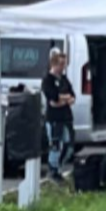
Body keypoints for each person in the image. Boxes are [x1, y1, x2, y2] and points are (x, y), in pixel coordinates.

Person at [40, 49, 75, 180]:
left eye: (64, 64)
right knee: (55, 145)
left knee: (69, 145)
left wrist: (64, 99)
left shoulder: (64, 79)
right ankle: (53, 170)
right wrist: (64, 98)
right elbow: (53, 100)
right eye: (60, 64)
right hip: (54, 118)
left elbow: (72, 96)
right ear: (53, 64)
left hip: (66, 117)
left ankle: (60, 166)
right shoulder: (47, 80)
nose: (62, 67)